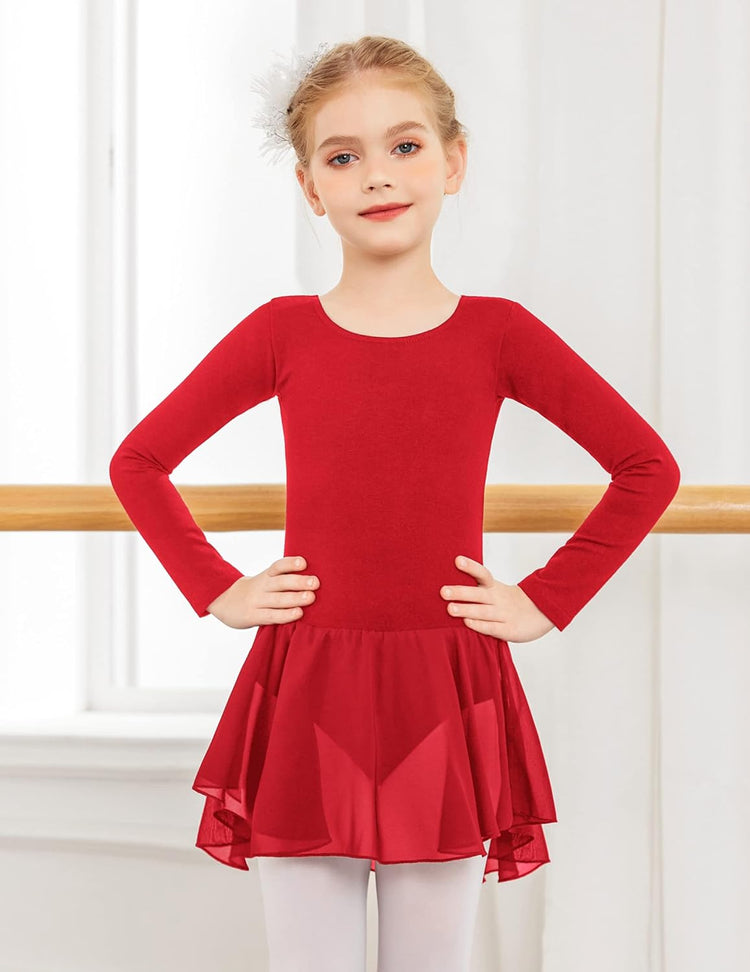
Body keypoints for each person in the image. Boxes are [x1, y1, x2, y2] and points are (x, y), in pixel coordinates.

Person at [108, 34, 681, 972]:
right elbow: (139, 460)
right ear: (310, 186)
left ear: (453, 162)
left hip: (445, 689)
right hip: (309, 687)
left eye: (404, 146)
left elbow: (646, 466)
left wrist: (546, 598)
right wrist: (216, 587)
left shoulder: (499, 334)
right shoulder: (281, 333)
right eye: (344, 156)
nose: (377, 174)